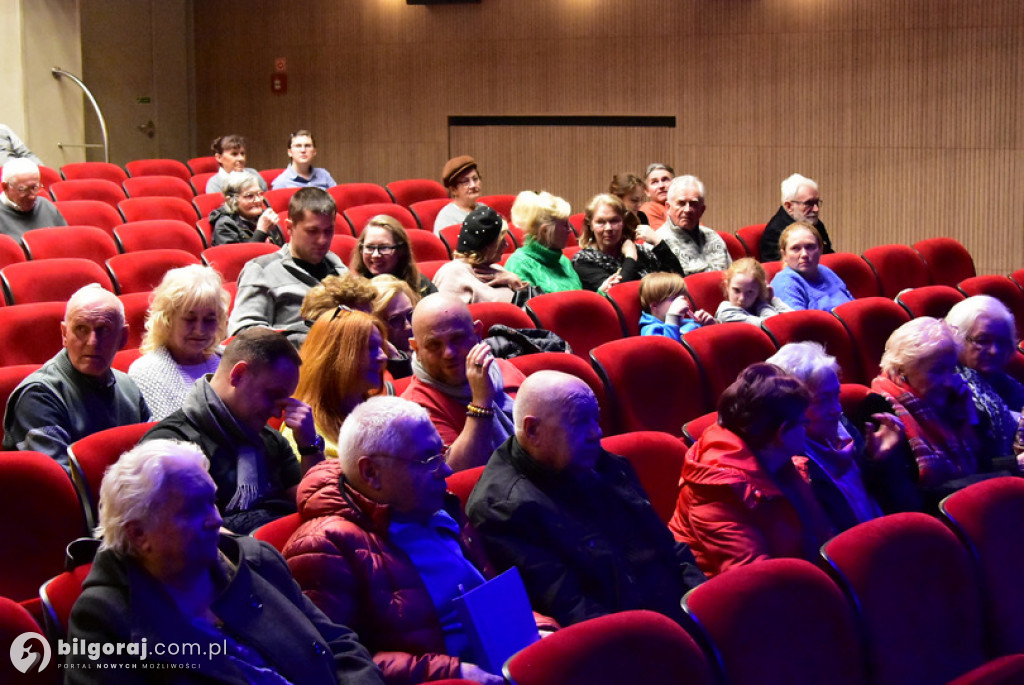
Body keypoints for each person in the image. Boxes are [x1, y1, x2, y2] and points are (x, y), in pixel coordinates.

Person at [285, 396, 556, 685]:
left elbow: (490, 595)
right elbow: (336, 661)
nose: (447, 471)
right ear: (371, 473)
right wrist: (453, 673)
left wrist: (538, 629)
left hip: (504, 664)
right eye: (428, 460)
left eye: (442, 454)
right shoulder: (324, 547)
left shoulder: (439, 508)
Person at [65, 439, 383, 684]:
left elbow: (341, 646)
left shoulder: (254, 560)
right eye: (192, 510)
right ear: (138, 535)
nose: (216, 519)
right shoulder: (105, 619)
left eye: (212, 501)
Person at [467, 371, 706, 627]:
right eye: (580, 422)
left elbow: (669, 548)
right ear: (533, 430)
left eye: (596, 418)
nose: (597, 433)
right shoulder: (503, 509)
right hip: (628, 641)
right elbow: (573, 609)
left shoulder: (599, 461)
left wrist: (702, 604)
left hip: (678, 613)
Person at [142, 327, 325, 534]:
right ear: (238, 375)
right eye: (273, 395)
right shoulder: (170, 446)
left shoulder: (268, 438)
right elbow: (175, 539)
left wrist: (309, 446)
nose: (277, 412)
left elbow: (314, 506)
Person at [670, 363, 835, 577]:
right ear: (783, 431)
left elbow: (822, 537)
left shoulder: (781, 461)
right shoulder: (715, 491)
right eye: (803, 423)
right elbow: (754, 579)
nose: (807, 429)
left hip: (797, 585)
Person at [767, 342, 921, 530]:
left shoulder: (843, 427)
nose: (837, 409)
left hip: (889, 535)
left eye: (836, 395)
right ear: (791, 408)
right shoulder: (790, 460)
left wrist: (880, 461)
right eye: (823, 400)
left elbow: (908, 506)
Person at [3, 284, 149, 468]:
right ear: (64, 334)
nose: (92, 342)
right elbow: (60, 482)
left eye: (103, 329)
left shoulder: (128, 386)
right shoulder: (38, 396)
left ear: (123, 337)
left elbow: (153, 455)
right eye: (81, 328)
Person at [402, 293, 525, 471]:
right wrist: (481, 402)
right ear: (416, 349)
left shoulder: (502, 368)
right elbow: (456, 477)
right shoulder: (415, 408)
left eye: (457, 339)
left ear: (477, 333)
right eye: (434, 345)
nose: (448, 353)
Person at [872, 317, 982, 495]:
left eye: (951, 369)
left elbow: (981, 464)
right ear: (902, 371)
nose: (948, 382)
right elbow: (905, 497)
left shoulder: (948, 400)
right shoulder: (880, 409)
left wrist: (970, 415)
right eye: (937, 370)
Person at [228, 187, 348, 345]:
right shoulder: (261, 271)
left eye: (328, 231)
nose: (323, 240)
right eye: (312, 231)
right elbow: (243, 335)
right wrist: (309, 335)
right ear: (290, 227)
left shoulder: (337, 266)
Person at [128, 265, 231, 421]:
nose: (200, 330)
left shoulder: (228, 359)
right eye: (190, 319)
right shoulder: (145, 372)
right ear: (167, 319)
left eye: (209, 320)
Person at [282, 308, 388, 459]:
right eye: (370, 348)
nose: (383, 356)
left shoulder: (383, 412)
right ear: (337, 356)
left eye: (381, 347)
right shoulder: (302, 431)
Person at [946, 296, 1024, 461]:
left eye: (1002, 342)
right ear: (957, 339)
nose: (994, 351)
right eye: (982, 341)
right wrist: (1015, 463)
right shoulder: (947, 388)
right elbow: (968, 465)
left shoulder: (1007, 383)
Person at [571, 194, 682, 294]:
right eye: (601, 222)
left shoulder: (640, 251)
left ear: (623, 222)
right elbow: (618, 295)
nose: (609, 228)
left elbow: (678, 279)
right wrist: (630, 258)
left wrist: (658, 243)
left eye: (614, 221)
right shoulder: (584, 262)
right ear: (590, 225)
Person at [432, 205, 530, 305]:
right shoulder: (452, 274)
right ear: (485, 245)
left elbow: (528, 310)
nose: (506, 245)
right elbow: (447, 316)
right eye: (501, 241)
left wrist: (516, 283)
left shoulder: (497, 268)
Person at [505, 190, 581, 294]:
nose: (570, 230)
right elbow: (528, 308)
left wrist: (601, 293)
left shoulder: (563, 261)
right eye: (564, 225)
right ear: (545, 231)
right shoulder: (519, 265)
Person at [655, 175, 731, 276]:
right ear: (668, 207)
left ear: (702, 210)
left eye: (693, 204)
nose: (687, 210)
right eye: (681, 203)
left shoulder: (713, 236)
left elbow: (732, 277)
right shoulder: (657, 243)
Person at [770, 222, 853, 311]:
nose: (804, 254)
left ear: (820, 250)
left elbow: (851, 304)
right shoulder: (785, 283)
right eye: (795, 248)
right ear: (784, 255)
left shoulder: (825, 271)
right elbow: (800, 322)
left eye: (810, 247)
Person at [350, 214, 437, 297]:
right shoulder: (353, 290)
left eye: (384, 248)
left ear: (401, 250)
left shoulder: (421, 285)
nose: (375, 254)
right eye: (369, 247)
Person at [760, 173, 834, 262]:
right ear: (789, 206)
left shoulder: (815, 223)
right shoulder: (775, 232)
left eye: (817, 202)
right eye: (808, 203)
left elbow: (829, 255)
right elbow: (776, 270)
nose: (816, 209)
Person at [209, 170, 285, 246]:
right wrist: (261, 231)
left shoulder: (264, 216)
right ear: (230, 200)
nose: (258, 200)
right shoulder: (225, 225)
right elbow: (241, 257)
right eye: (249, 196)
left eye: (259, 194)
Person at [0, 158, 66, 238]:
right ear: (5, 187)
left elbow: (66, 241)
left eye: (34, 187)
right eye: (23, 189)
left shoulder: (47, 207)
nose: (32, 196)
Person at [639, 272, 714, 341]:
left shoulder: (688, 322)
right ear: (654, 306)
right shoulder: (650, 330)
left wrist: (710, 325)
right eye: (674, 299)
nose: (682, 303)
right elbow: (668, 351)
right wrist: (672, 318)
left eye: (683, 298)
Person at [715, 257, 793, 324]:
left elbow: (794, 318)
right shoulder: (726, 312)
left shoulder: (755, 305)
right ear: (727, 286)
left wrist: (772, 299)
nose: (742, 298)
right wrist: (763, 303)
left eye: (750, 292)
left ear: (759, 291)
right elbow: (772, 325)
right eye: (737, 290)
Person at [371, 274, 419, 379]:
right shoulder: (374, 367)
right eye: (396, 319)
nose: (408, 326)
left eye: (410, 314)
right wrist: (397, 361)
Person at [271, 129, 337, 189]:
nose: (303, 150)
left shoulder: (324, 174)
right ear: (290, 152)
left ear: (314, 151)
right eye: (298, 146)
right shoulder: (281, 183)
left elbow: (337, 199)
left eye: (307, 146)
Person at [434, 155, 482, 234]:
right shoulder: (446, 218)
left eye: (475, 179)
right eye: (466, 182)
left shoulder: (484, 208)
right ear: (453, 190)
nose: (473, 185)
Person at [639, 163, 674, 230]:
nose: (661, 186)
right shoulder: (648, 209)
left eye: (665, 179)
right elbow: (663, 237)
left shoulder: (685, 206)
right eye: (654, 182)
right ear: (647, 191)